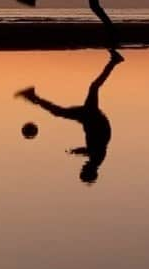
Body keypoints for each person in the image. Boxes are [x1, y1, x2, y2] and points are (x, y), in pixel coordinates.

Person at [15, 52, 124, 184]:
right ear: (89, 171)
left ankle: (33, 97)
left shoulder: (96, 160)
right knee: (91, 89)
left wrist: (76, 152)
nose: (82, 167)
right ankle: (114, 61)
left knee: (61, 110)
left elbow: (89, 151)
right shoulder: (97, 159)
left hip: (92, 120)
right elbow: (92, 149)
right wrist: (78, 150)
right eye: (83, 170)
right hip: (92, 119)